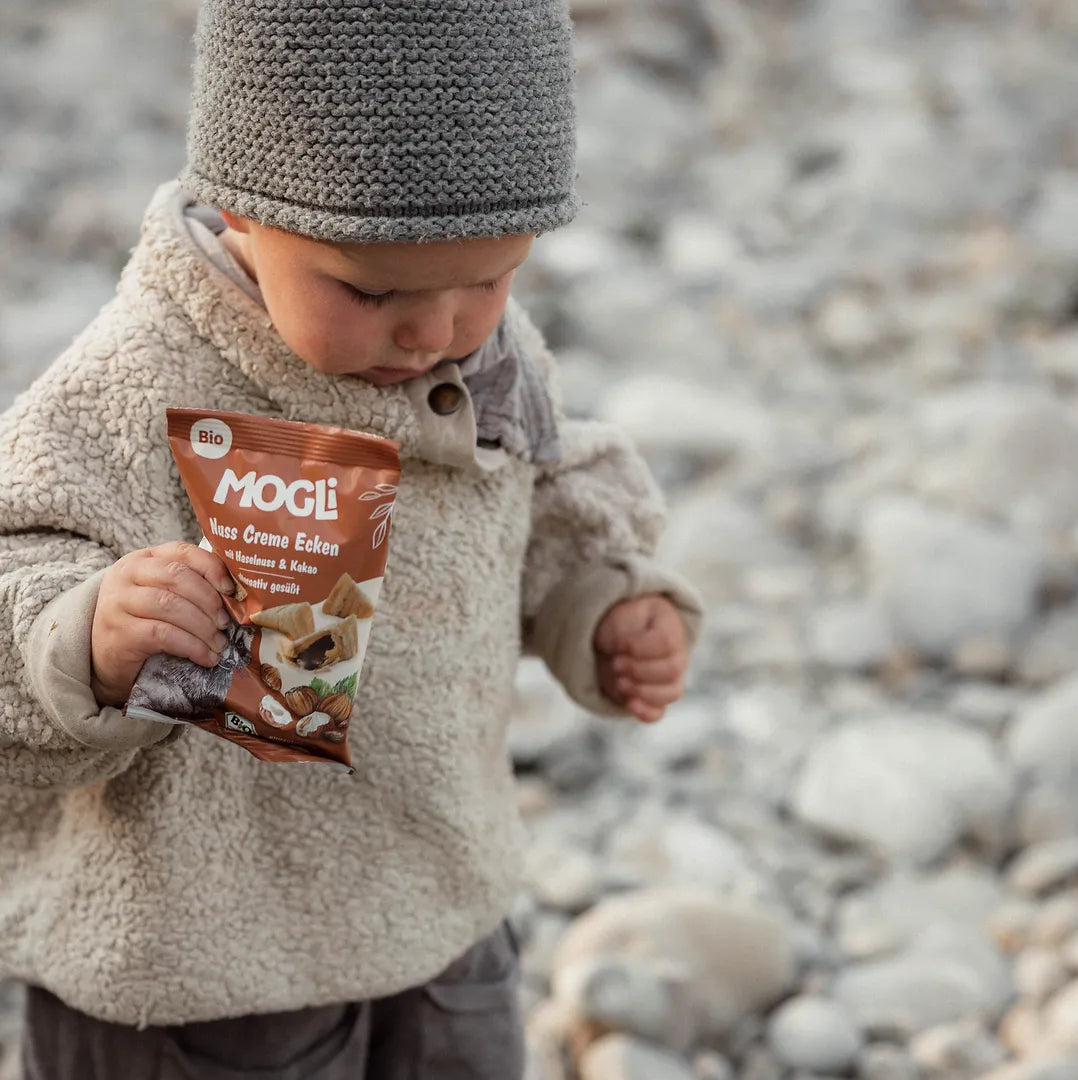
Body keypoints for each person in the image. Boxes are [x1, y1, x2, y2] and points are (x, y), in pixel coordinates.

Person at [0, 0, 703, 1076]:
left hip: (435, 904)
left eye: (491, 278)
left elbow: (542, 497)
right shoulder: (132, 385)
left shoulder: (480, 360)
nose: (434, 331)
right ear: (240, 215)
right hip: (202, 967)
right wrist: (86, 636)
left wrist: (601, 605)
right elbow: (17, 565)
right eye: (370, 289)